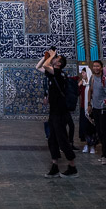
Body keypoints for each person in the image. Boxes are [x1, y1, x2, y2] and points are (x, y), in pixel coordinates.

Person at [34, 49, 77, 178]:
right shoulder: (53, 73)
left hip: (60, 112)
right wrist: (45, 56)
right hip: (53, 112)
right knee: (52, 139)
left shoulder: (59, 73)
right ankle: (55, 166)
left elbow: (46, 65)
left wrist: (51, 56)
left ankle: (72, 167)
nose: (54, 58)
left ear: (59, 64)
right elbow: (38, 67)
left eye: (56, 58)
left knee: (62, 139)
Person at [86, 60, 106, 164]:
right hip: (95, 108)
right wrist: (89, 104)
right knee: (99, 132)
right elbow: (90, 91)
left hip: (103, 108)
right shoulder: (92, 78)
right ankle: (105, 153)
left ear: (101, 67)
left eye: (97, 66)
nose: (96, 68)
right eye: (94, 66)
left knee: (103, 132)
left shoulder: (105, 80)